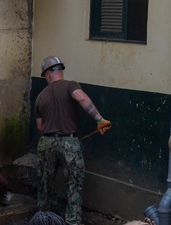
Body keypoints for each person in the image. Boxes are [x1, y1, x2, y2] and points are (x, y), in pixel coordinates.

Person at [34, 56, 112, 225]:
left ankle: (42, 218)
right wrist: (100, 120)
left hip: (46, 143)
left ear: (47, 74)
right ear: (60, 71)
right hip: (69, 142)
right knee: (74, 184)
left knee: (44, 183)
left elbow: (40, 127)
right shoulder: (70, 85)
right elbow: (81, 98)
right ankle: (72, 222)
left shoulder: (40, 96)